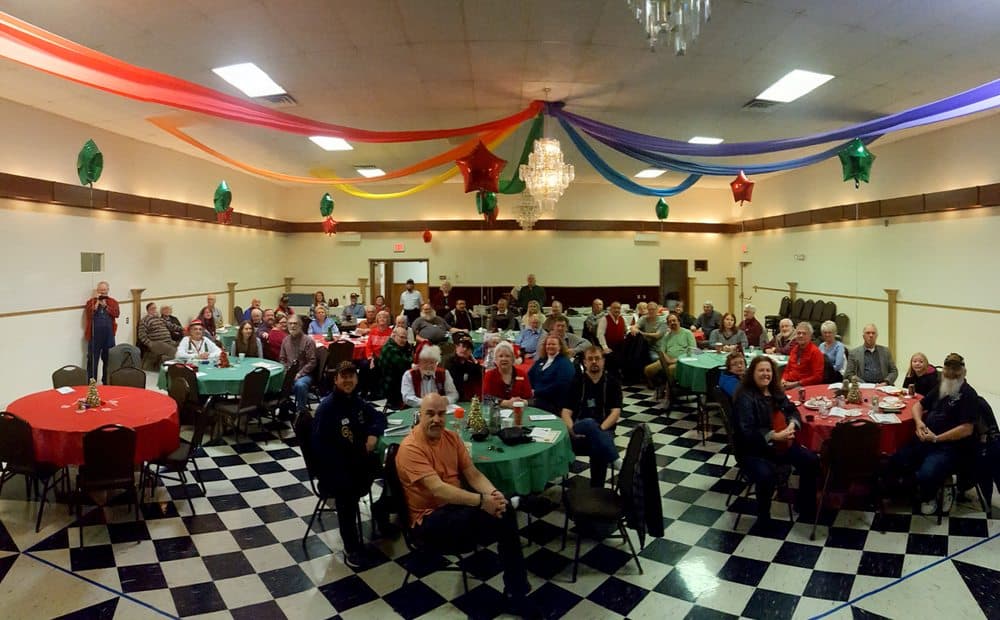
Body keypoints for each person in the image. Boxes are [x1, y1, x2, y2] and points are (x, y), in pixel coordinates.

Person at [396, 393, 537, 617]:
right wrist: (482, 501)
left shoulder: (452, 438)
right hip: (429, 520)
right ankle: (517, 593)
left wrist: (494, 494)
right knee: (503, 514)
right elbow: (438, 489)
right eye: (430, 414)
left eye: (441, 414)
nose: (436, 419)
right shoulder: (410, 447)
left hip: (456, 508)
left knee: (503, 511)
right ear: (419, 415)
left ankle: (516, 592)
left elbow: (473, 474)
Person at [311, 360, 387, 567]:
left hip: (358, 462)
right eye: (343, 376)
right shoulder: (327, 409)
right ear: (335, 380)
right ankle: (351, 548)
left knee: (394, 467)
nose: (348, 380)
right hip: (335, 470)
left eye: (351, 376)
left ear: (356, 379)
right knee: (347, 493)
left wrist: (373, 434)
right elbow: (320, 450)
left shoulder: (356, 401)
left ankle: (383, 517)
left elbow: (379, 417)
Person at [884, 353, 979, 514]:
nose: (951, 372)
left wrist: (936, 438)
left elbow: (966, 428)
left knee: (926, 474)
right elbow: (918, 406)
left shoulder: (969, 394)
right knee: (896, 460)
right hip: (926, 439)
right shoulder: (941, 387)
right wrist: (919, 423)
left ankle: (932, 495)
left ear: (964, 371)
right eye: (948, 368)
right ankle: (911, 491)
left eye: (956, 369)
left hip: (948, 447)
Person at [733, 356, 819, 523]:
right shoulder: (745, 396)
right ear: (752, 373)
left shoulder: (775, 391)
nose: (765, 374)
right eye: (761, 370)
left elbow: (792, 410)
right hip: (754, 450)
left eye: (768, 370)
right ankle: (763, 518)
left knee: (811, 460)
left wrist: (792, 425)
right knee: (766, 475)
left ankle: (805, 506)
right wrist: (775, 435)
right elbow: (747, 431)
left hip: (781, 445)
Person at [561, 346, 623, 487]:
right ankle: (617, 460)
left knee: (598, 445)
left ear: (603, 361)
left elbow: (615, 412)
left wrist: (598, 431)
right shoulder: (577, 382)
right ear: (585, 362)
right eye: (590, 359)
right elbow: (566, 411)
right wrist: (571, 430)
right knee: (589, 423)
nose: (594, 362)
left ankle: (597, 488)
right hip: (579, 430)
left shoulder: (612, 382)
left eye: (597, 358)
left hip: (604, 428)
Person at [644, 313, 697, 390]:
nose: (672, 323)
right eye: (670, 322)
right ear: (668, 324)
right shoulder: (667, 336)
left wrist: (675, 360)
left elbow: (692, 350)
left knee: (670, 370)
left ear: (679, 321)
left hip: (682, 360)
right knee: (648, 370)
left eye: (674, 320)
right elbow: (662, 351)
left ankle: (670, 392)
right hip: (667, 360)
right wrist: (668, 360)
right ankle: (658, 387)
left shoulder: (687, 333)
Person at [528, 335, 576, 414]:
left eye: (553, 344)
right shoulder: (541, 360)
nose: (550, 346)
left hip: (552, 403)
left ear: (560, 347)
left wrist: (536, 392)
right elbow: (530, 376)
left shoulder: (565, 364)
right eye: (548, 344)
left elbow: (560, 385)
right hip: (535, 397)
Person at [84, 281, 120, 382]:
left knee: (109, 360)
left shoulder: (113, 301)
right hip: (94, 336)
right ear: (97, 291)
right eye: (100, 290)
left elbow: (117, 313)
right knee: (92, 360)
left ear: (108, 290)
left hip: (109, 335)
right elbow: (88, 313)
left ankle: (106, 382)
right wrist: (96, 303)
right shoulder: (91, 302)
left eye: (104, 290)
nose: (102, 292)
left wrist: (106, 307)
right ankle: (91, 383)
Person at [280, 315, 317, 411]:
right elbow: (282, 359)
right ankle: (285, 409)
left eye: (295, 323)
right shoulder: (285, 340)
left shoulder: (308, 341)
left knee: (300, 385)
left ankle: (301, 412)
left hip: (305, 374)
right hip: (289, 373)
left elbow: (312, 362)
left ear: (300, 326)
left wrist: (299, 374)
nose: (292, 326)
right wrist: (286, 371)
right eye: (290, 323)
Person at [483, 341, 532, 406]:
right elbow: (485, 399)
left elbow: (530, 398)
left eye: (507, 356)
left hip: (518, 409)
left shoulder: (522, 374)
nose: (504, 359)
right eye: (500, 356)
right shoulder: (489, 375)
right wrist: (505, 403)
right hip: (495, 411)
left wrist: (524, 402)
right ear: (495, 360)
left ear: (513, 359)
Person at [376, 326, 415, 408]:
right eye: (401, 337)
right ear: (394, 336)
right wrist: (411, 358)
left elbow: (409, 359)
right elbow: (404, 364)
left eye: (405, 338)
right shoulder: (390, 348)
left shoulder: (400, 347)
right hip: (391, 386)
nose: (404, 340)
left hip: (397, 381)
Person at [781, 322, 825, 389]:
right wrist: (783, 379)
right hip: (789, 382)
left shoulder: (815, 352)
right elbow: (787, 370)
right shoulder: (794, 349)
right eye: (799, 333)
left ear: (810, 336)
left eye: (804, 333)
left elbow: (817, 377)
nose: (801, 335)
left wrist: (796, 383)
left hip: (804, 386)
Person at [138, 302, 177, 368]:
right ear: (148, 310)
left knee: (180, 348)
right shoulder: (145, 320)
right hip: (157, 343)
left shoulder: (159, 318)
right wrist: (150, 344)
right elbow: (141, 335)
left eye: (155, 308)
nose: (154, 310)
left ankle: (166, 362)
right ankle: (167, 365)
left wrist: (183, 329)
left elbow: (171, 325)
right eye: (152, 308)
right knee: (173, 351)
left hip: (168, 341)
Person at [446, 336, 483, 401]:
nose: (465, 349)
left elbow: (479, 374)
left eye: (468, 348)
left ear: (471, 352)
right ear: (456, 347)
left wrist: (474, 360)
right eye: (463, 346)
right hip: (450, 398)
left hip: (464, 399)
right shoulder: (449, 362)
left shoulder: (468, 364)